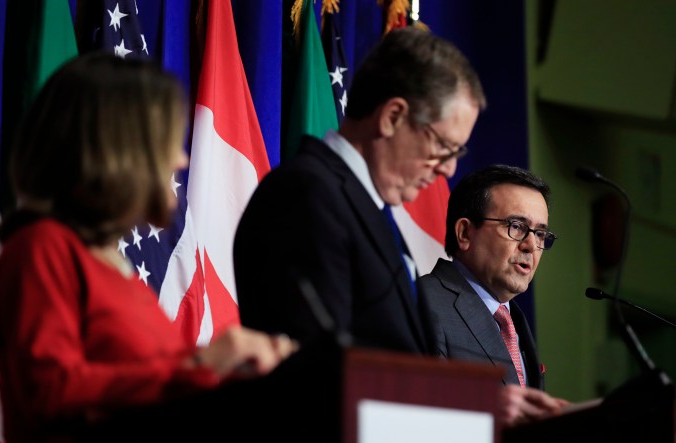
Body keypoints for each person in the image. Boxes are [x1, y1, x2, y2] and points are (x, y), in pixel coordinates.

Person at [234, 27, 564, 426]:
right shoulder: (307, 195)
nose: (448, 169)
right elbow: (314, 380)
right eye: (443, 147)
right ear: (393, 117)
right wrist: (479, 413)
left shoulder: (369, 213)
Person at [0, 53, 295, 443]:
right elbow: (51, 391)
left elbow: (150, 393)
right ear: (118, 151)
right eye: (166, 144)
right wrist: (203, 363)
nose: (181, 160)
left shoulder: (112, 265)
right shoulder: (41, 248)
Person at [418, 164, 570, 423]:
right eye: (516, 226)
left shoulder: (513, 322)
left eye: (541, 234)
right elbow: (414, 411)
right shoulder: (424, 302)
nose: (531, 245)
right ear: (465, 233)